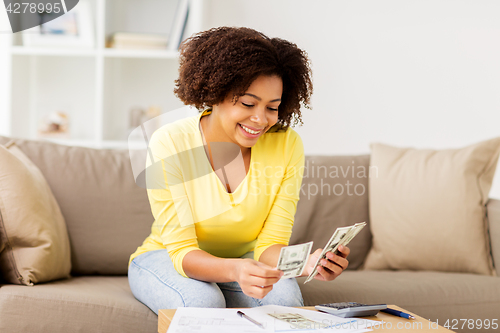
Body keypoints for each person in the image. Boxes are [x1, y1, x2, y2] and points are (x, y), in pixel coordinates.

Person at [128, 26, 350, 313]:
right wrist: (236, 271)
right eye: (247, 103)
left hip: (243, 261)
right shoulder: (170, 142)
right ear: (216, 92)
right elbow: (182, 252)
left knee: (283, 301)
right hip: (167, 257)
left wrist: (307, 263)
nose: (260, 119)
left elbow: (269, 245)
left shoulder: (286, 145)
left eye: (273, 107)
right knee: (203, 302)